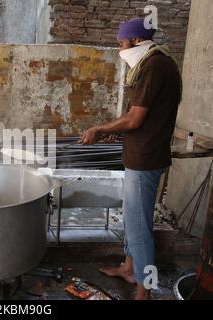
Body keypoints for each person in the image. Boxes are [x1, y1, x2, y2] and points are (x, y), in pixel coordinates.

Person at [80, 17, 182, 300]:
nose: (119, 49)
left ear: (137, 41)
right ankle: (129, 268)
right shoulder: (156, 62)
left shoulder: (153, 66)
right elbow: (140, 118)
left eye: (121, 43)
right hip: (142, 153)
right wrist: (119, 132)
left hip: (145, 159)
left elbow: (135, 118)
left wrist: (100, 129)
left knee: (139, 228)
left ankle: (143, 291)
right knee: (133, 220)